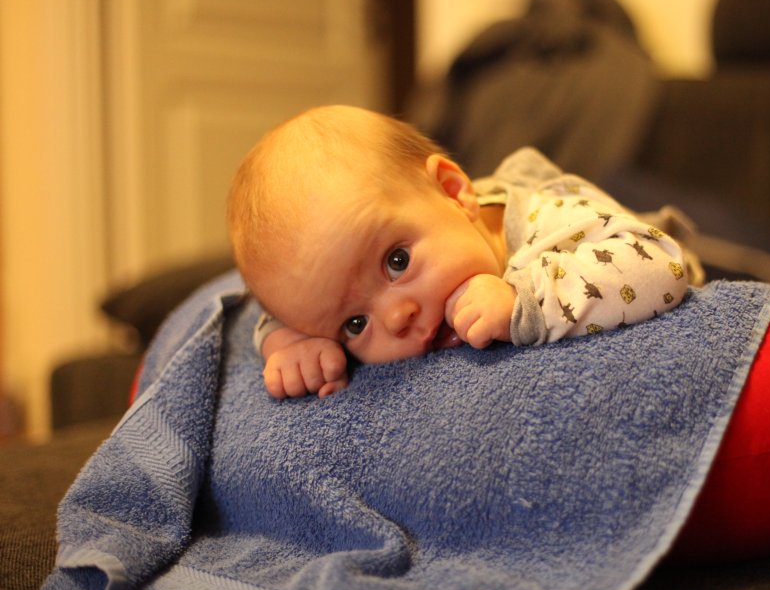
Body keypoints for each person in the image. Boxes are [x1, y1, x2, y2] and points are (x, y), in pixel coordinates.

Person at [228, 105, 695, 399]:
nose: (396, 318)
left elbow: (662, 265)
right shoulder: (338, 279)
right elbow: (294, 302)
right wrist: (287, 344)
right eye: (354, 324)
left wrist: (524, 301)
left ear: (454, 193)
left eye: (397, 262)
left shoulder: (551, 221)